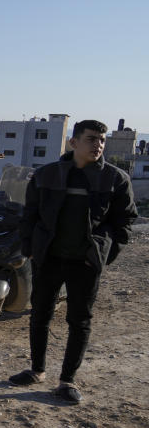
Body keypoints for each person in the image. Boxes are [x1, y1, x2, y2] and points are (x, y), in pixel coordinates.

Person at [9, 119, 137, 404]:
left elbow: (125, 220)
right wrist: (30, 247)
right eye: (91, 139)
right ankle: (37, 370)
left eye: (101, 140)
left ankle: (67, 381)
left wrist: (106, 252)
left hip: (86, 262)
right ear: (73, 143)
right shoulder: (46, 175)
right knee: (40, 315)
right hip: (49, 258)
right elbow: (30, 214)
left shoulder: (115, 179)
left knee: (79, 321)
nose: (98, 145)